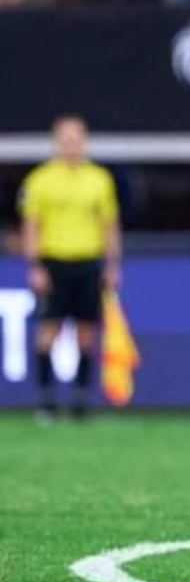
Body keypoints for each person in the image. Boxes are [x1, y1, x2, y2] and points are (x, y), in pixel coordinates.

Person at [20, 115, 120, 421]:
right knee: (48, 329)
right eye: (66, 140)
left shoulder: (99, 179)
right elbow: (31, 226)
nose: (72, 146)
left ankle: (80, 398)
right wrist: (35, 265)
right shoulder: (40, 180)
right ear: (56, 143)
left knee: (86, 332)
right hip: (54, 262)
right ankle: (46, 398)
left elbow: (109, 225)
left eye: (77, 140)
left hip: (88, 262)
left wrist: (112, 264)